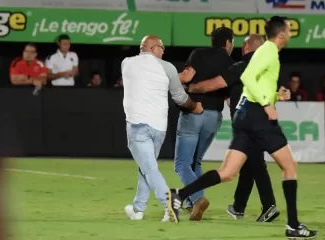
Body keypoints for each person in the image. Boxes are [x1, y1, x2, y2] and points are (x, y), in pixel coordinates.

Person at [166, 16, 317, 239]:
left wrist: (275, 95)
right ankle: (293, 226)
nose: (291, 35)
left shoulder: (263, 53)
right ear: (282, 34)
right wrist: (267, 104)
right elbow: (247, 77)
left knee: (227, 172)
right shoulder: (269, 51)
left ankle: (179, 196)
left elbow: (252, 82)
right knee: (289, 167)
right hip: (257, 116)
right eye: (289, 31)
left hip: (243, 116)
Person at [187, 34, 289, 222]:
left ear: (246, 48)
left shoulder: (243, 65)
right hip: (262, 119)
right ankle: (239, 206)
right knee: (249, 163)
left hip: (247, 121)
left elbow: (215, 84)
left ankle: (269, 205)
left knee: (254, 164)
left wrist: (192, 88)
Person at [122, 35, 203, 222]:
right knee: (147, 167)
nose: (163, 50)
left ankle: (170, 205)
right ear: (151, 48)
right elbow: (180, 98)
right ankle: (137, 209)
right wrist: (195, 106)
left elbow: (142, 79)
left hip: (137, 126)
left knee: (148, 167)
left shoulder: (126, 63)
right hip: (159, 128)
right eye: (161, 47)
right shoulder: (167, 68)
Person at [174, 27, 237, 221]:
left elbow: (185, 77)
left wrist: (169, 79)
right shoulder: (231, 63)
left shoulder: (198, 53)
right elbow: (230, 98)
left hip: (194, 112)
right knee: (195, 161)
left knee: (182, 164)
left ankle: (198, 198)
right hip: (214, 117)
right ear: (227, 43)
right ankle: (193, 203)